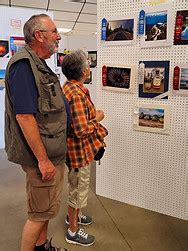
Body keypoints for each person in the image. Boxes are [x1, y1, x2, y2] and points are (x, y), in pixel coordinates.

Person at [4, 14, 68, 251]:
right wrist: (42, 160)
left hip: (52, 153)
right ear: (39, 35)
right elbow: (24, 116)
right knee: (38, 214)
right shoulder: (23, 66)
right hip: (41, 158)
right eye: (54, 31)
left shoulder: (38, 64)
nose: (58, 36)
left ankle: (43, 248)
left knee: (46, 210)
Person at [61, 49, 108, 246]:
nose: (89, 68)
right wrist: (97, 118)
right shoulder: (77, 94)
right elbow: (81, 129)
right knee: (78, 191)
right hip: (79, 153)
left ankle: (74, 217)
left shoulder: (67, 87)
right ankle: (72, 231)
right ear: (83, 72)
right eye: (87, 65)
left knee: (76, 188)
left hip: (73, 150)